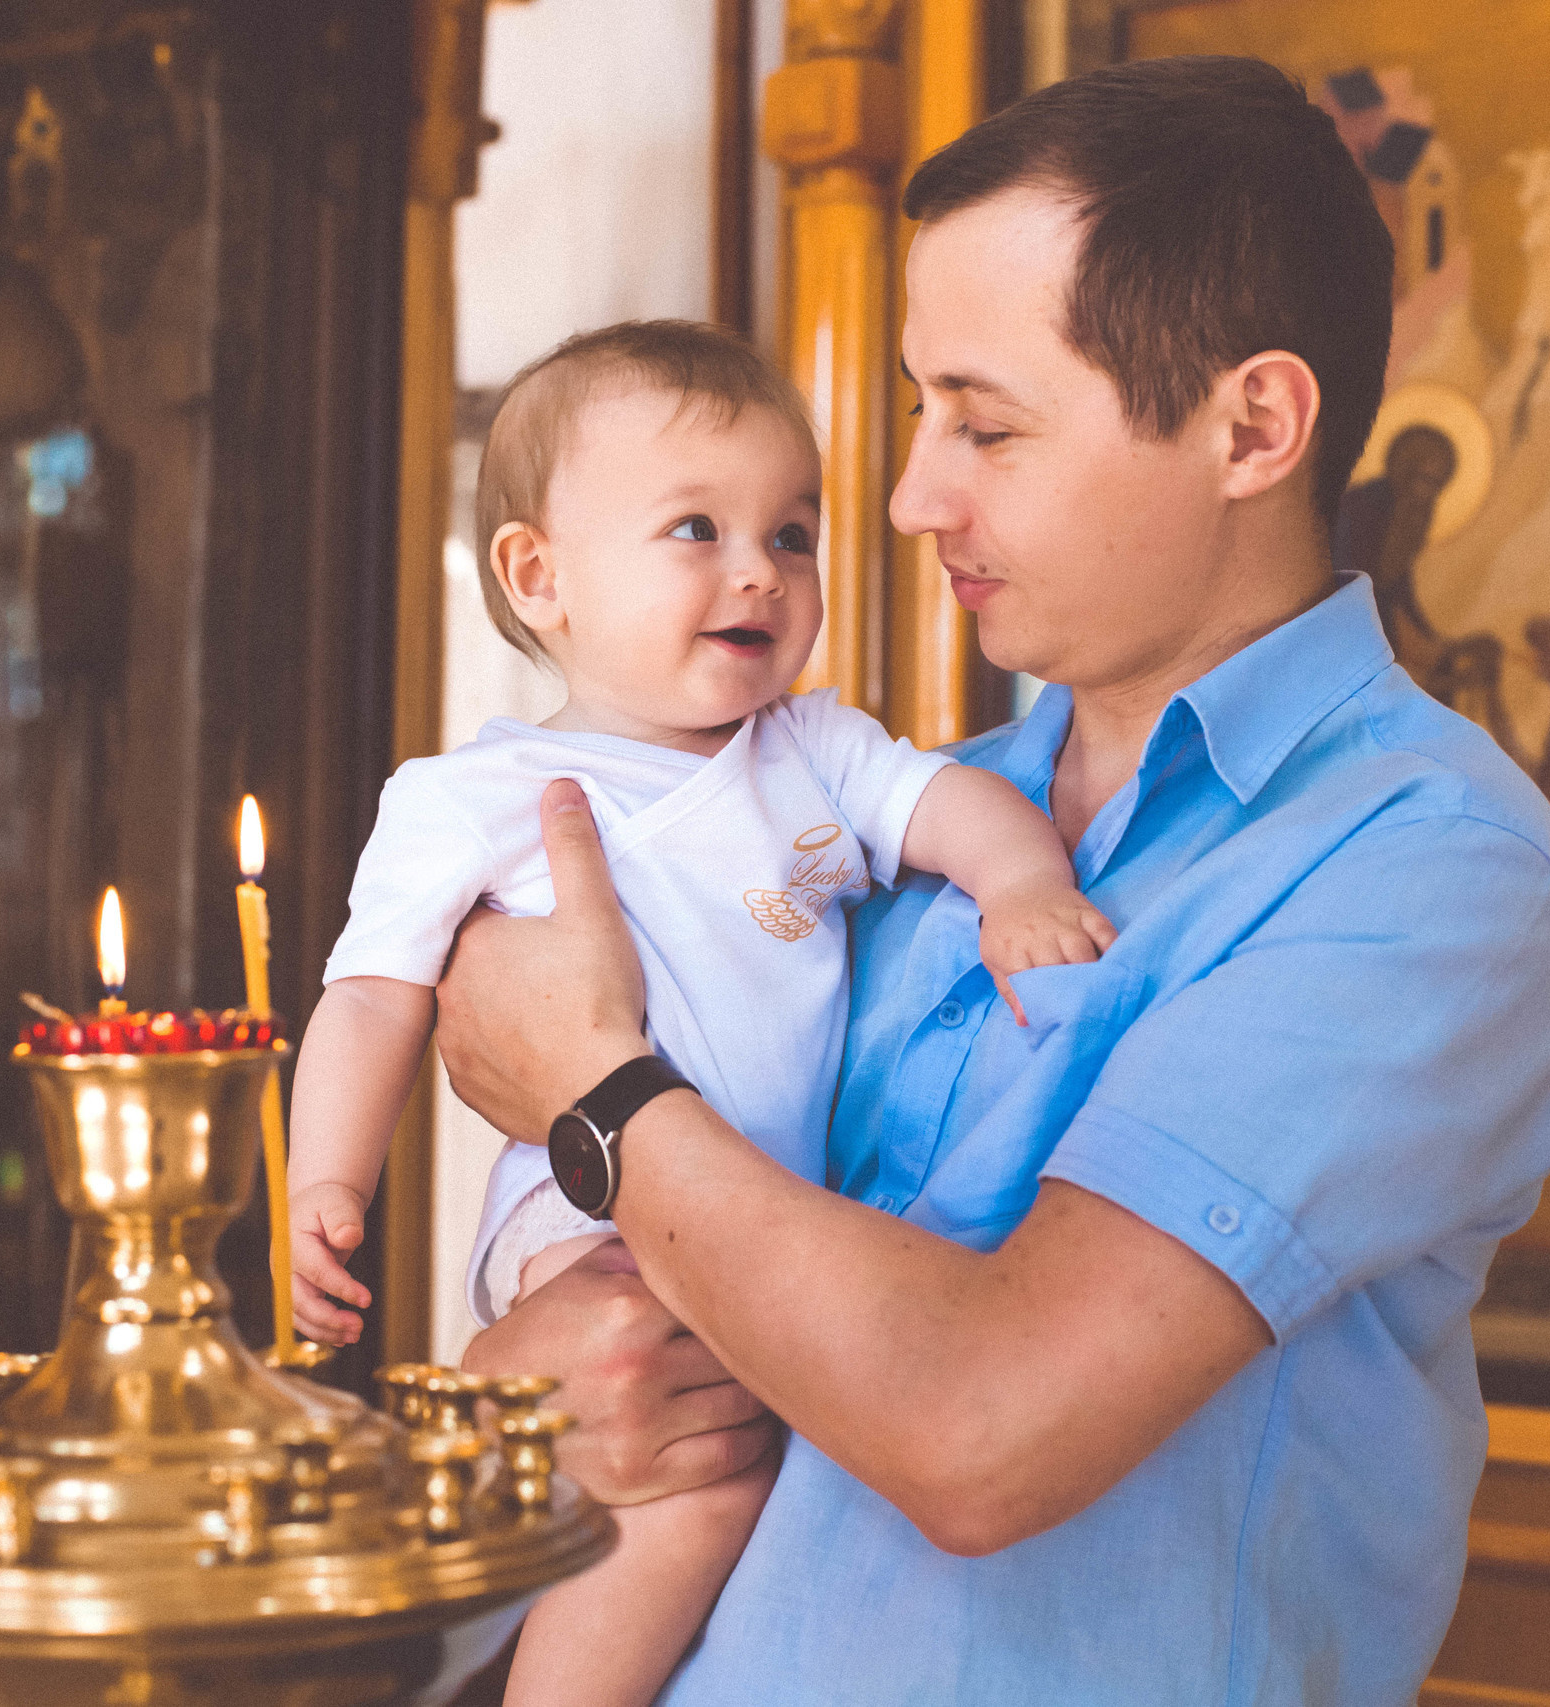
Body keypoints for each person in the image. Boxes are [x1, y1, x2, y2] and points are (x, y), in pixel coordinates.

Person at [436, 57, 1550, 1704]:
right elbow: (680, 1318)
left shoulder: (1430, 871)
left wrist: (596, 1097)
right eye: (921, 414)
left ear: (1250, 425)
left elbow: (981, 1431)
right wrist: (525, 1392)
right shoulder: (913, 820)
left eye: (986, 424)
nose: (913, 498)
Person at [284, 320, 1116, 1707]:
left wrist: (1022, 881)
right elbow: (369, 995)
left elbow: (951, 807)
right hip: (588, 1223)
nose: (759, 572)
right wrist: (329, 1176)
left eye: (791, 534)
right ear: (537, 575)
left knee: (728, 1471)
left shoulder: (813, 751)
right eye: (695, 529)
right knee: (700, 1491)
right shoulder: (475, 797)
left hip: (768, 1217)